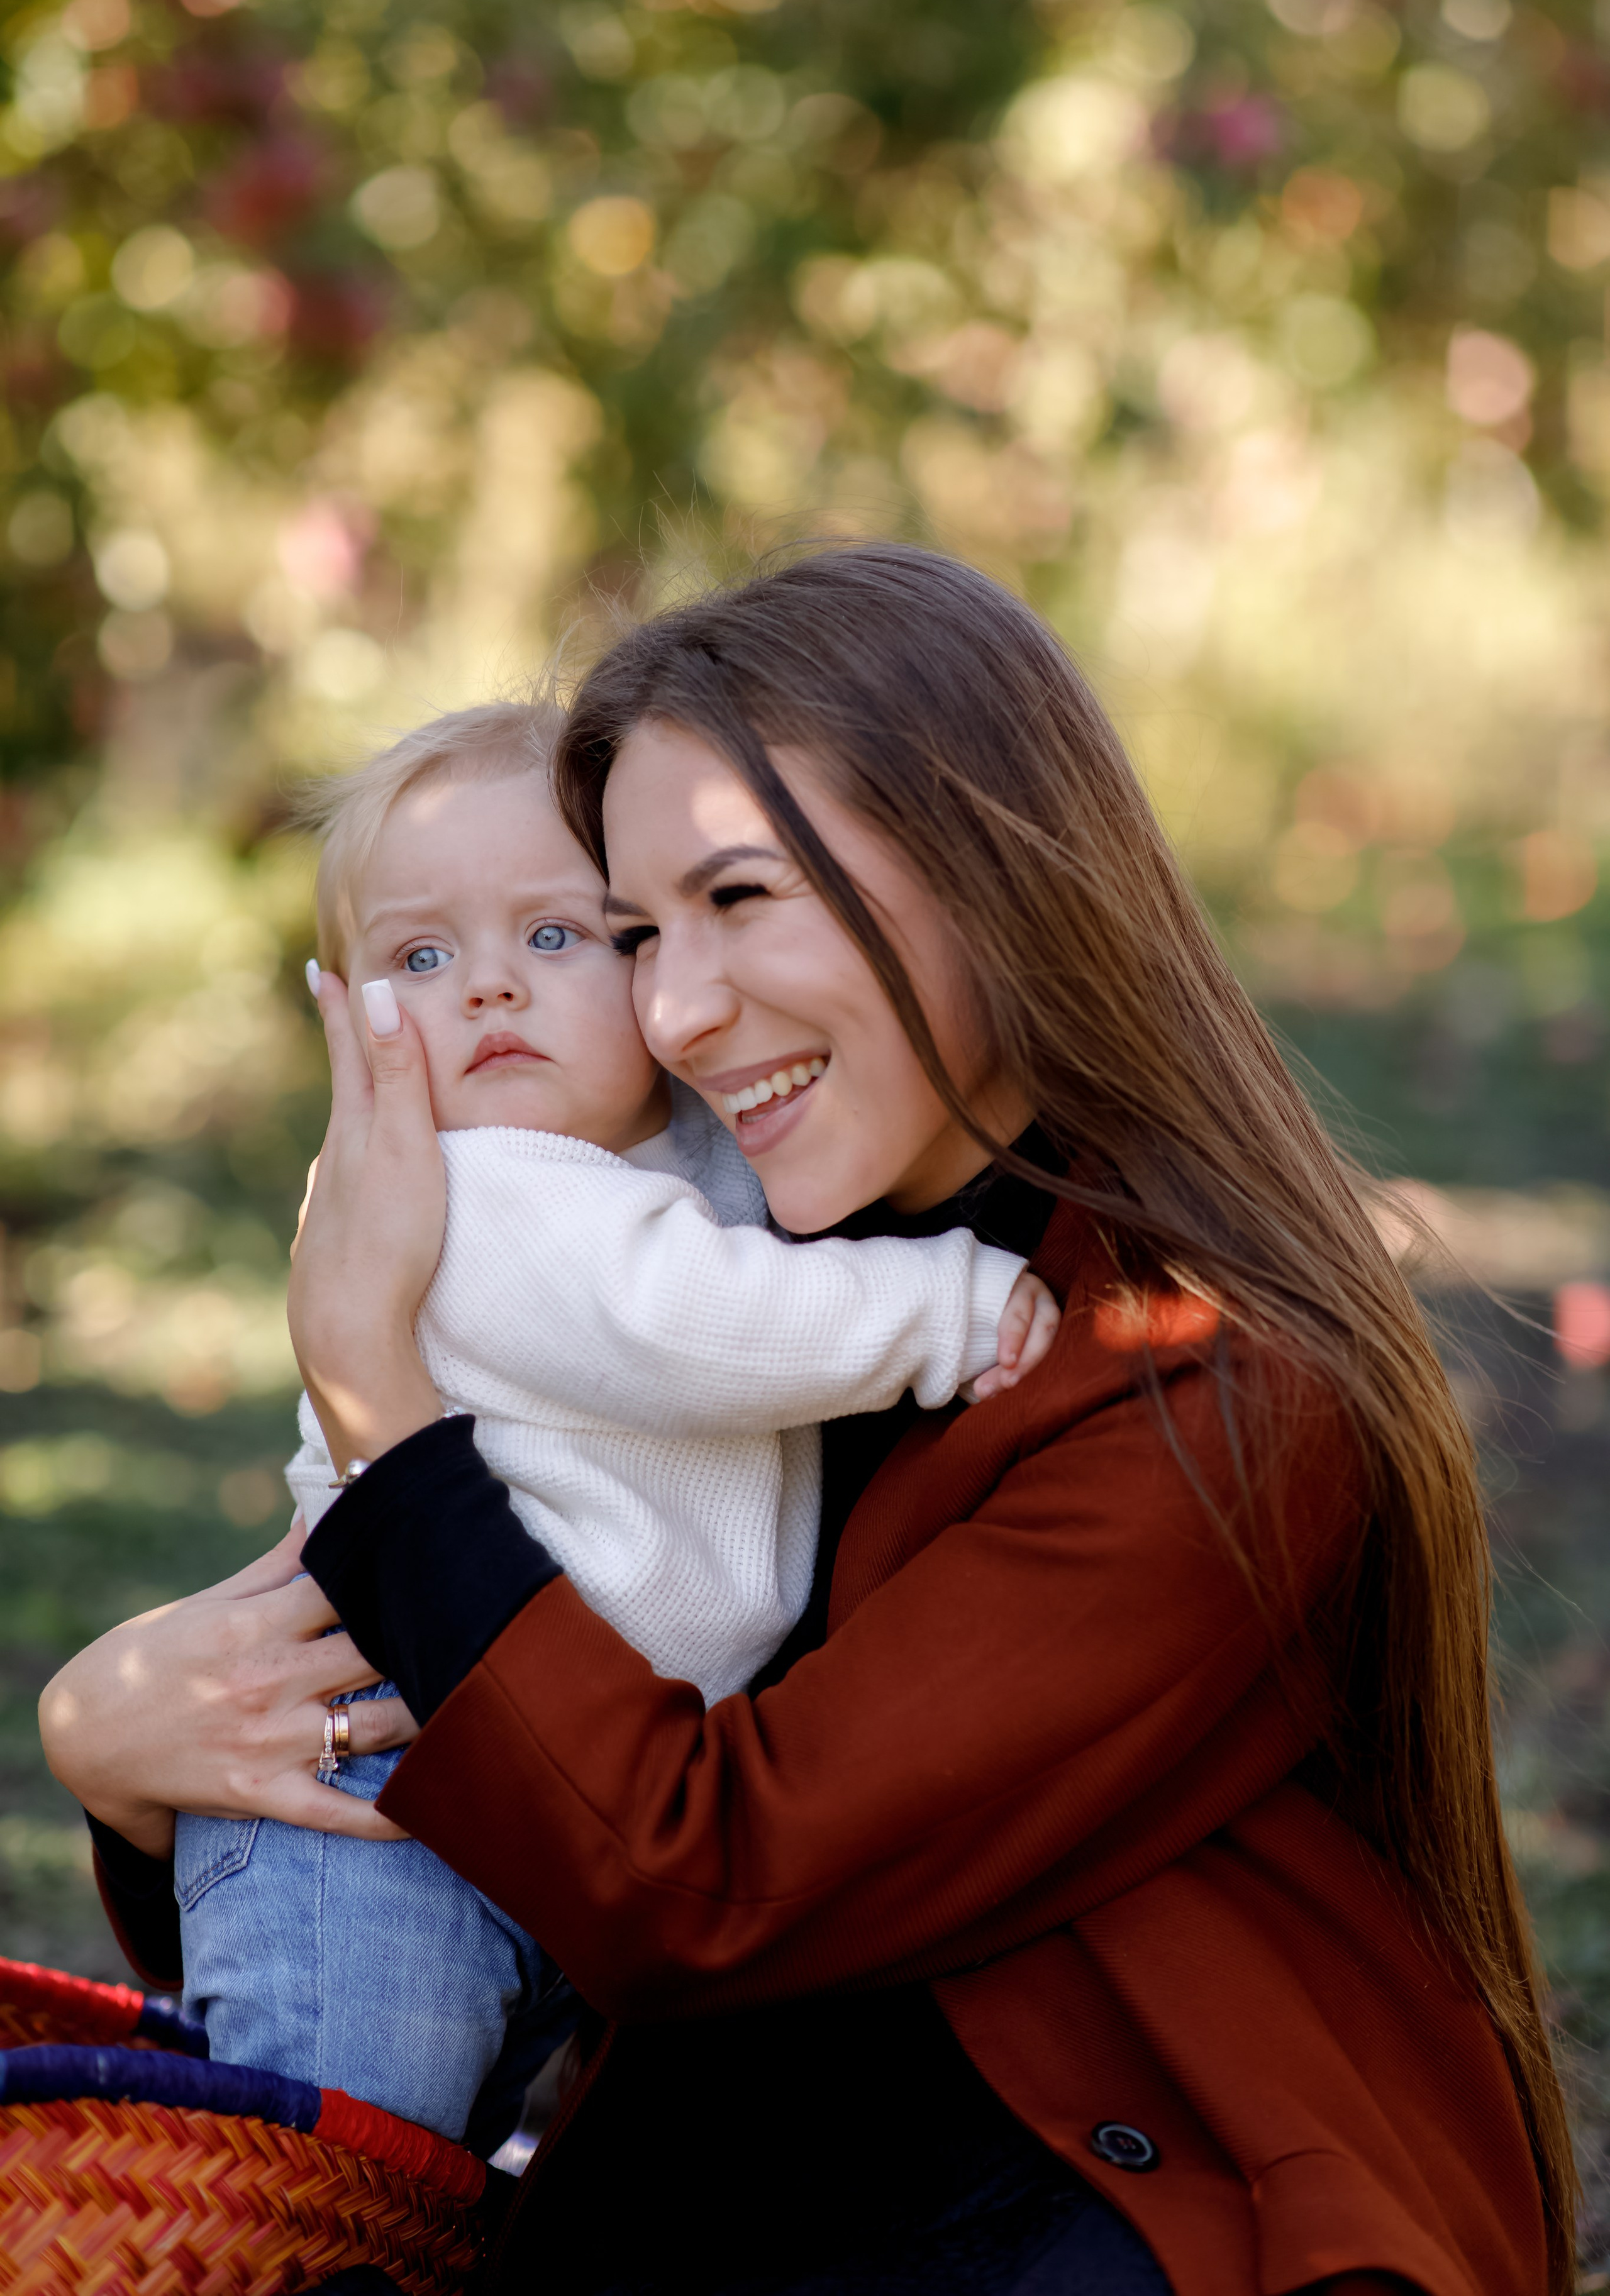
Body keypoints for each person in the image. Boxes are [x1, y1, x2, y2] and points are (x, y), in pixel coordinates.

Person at [43, 542, 1572, 2296]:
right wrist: (130, 1755)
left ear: (992, 874)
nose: (677, 1011)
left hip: (1099, 2226)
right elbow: (485, 1810)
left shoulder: (1204, 1373)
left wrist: (380, 1396)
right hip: (756, 2198)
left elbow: (701, 1883)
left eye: (741, 899)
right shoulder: (742, 1277)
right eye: (632, 931)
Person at [175, 697, 1050, 2148]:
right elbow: (688, 1318)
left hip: (542, 1780)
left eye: (557, 936)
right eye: (422, 956)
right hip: (384, 1807)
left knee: (463, 2185)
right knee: (331, 2169)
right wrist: (953, 1310)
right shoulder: (479, 1192)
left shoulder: (665, 1145)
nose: (490, 993)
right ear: (352, 1015)